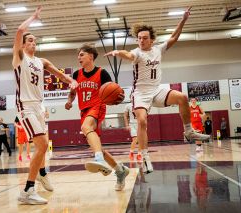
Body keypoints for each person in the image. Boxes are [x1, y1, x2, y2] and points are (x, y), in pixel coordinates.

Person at [104, 6, 210, 173]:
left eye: (145, 38)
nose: (141, 41)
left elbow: (174, 37)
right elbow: (129, 55)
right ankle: (145, 157)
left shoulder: (158, 49)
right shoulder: (137, 53)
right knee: (142, 121)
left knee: (182, 97)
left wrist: (183, 20)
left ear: (151, 40)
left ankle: (188, 131)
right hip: (140, 93)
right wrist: (118, 52)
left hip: (157, 89)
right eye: (139, 38)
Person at [13, 6, 78, 205]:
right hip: (25, 105)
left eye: (35, 40)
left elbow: (58, 74)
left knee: (42, 147)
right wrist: (33, 17)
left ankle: (41, 173)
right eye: (30, 40)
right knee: (41, 146)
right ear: (23, 45)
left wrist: (70, 81)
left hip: (40, 106)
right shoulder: (19, 58)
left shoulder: (41, 61)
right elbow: (18, 31)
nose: (33, 42)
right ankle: (27, 191)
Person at [65, 43, 129, 191]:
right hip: (84, 111)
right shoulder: (76, 74)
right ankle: (120, 171)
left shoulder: (102, 73)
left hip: (97, 107)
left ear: (91, 56)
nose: (78, 58)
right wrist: (69, 101)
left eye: (81, 55)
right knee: (96, 146)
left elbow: (114, 92)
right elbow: (73, 92)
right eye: (78, 55)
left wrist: (116, 98)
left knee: (86, 127)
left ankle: (99, 159)